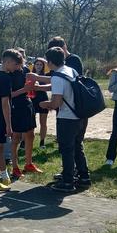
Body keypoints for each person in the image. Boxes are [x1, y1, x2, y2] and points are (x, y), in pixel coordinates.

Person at [39, 46, 90, 192]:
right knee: (77, 146)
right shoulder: (69, 70)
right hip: (78, 115)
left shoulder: (56, 76)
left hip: (67, 117)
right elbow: (60, 86)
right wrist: (39, 87)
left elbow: (56, 103)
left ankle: (68, 181)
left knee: (66, 150)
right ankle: (84, 176)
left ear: (49, 62)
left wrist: (45, 104)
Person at [0, 50, 22, 190]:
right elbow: (5, 103)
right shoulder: (5, 78)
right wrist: (9, 124)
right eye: (15, 64)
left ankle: (4, 176)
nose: (17, 67)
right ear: (7, 62)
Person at [9, 48, 42, 178]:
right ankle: (15, 167)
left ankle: (29, 163)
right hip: (15, 106)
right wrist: (24, 89)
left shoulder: (26, 71)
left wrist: (35, 84)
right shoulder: (8, 73)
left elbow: (32, 85)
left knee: (30, 134)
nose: (21, 62)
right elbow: (8, 95)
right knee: (16, 137)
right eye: (18, 60)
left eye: (22, 58)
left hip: (28, 104)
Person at [31, 58, 50, 149]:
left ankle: (42, 142)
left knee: (43, 122)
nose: (38, 66)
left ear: (43, 66)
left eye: (40, 65)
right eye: (37, 64)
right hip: (32, 99)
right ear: (34, 65)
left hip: (42, 99)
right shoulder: (30, 75)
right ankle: (25, 141)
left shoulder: (46, 75)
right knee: (30, 122)